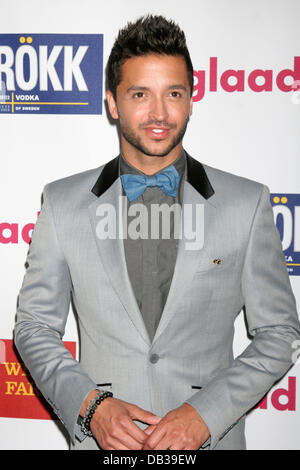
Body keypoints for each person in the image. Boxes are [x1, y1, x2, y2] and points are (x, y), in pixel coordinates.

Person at [14, 14, 300, 451]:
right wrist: (92, 407)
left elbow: (280, 332)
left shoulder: (246, 203)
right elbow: (34, 327)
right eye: (140, 94)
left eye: (174, 94)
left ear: (191, 99)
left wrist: (207, 414)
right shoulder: (63, 203)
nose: (159, 114)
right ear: (113, 102)